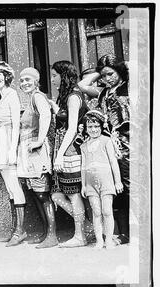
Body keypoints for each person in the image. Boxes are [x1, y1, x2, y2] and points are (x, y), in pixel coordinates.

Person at [78, 54, 130, 245]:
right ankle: (124, 234)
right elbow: (83, 85)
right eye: (103, 76)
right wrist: (99, 72)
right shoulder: (103, 92)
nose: (107, 79)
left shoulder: (129, 86)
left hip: (129, 144)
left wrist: (121, 66)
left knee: (130, 187)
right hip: (110, 145)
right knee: (117, 191)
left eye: (110, 74)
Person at [0, 61, 27, 247]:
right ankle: (15, 229)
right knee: (10, 188)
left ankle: (20, 230)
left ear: (6, 76)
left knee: (14, 186)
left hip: (8, 143)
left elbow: (16, 124)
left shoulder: (11, 95)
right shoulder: (0, 99)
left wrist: (12, 150)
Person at [17, 67, 58, 249]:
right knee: (36, 193)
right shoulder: (30, 100)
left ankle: (52, 235)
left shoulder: (38, 97)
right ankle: (44, 233)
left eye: (28, 79)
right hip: (28, 152)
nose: (25, 83)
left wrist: (40, 140)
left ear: (36, 80)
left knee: (42, 193)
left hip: (36, 150)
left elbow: (46, 115)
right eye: (22, 80)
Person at [50, 60, 89, 248]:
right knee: (57, 195)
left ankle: (80, 235)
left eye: (55, 75)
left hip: (70, 150)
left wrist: (59, 155)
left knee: (73, 194)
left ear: (64, 76)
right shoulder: (66, 96)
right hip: (63, 148)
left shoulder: (74, 96)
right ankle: (86, 226)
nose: (52, 79)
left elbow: (72, 128)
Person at [80, 110, 123, 249]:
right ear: (86, 128)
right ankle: (99, 240)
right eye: (90, 127)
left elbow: (113, 162)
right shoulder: (84, 146)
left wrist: (118, 181)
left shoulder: (106, 141)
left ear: (101, 126)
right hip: (90, 183)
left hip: (106, 181)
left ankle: (109, 240)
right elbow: (83, 167)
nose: (93, 129)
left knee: (107, 211)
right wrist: (83, 185)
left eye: (96, 126)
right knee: (96, 212)